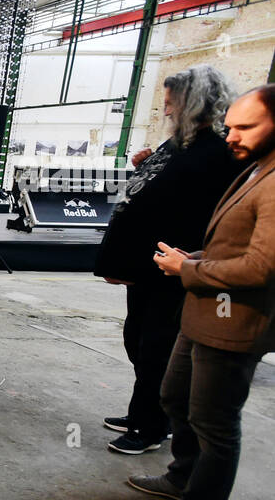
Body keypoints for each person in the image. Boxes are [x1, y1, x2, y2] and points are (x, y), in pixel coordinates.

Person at [130, 84, 275, 500]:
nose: (232, 135)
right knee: (175, 396)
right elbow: (236, 246)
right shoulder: (254, 169)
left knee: (215, 419)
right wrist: (195, 258)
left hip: (235, 322)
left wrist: (189, 270)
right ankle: (180, 477)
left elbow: (261, 267)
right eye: (230, 126)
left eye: (246, 127)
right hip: (204, 313)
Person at [94, 66, 241, 455]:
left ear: (194, 102)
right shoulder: (179, 142)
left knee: (156, 348)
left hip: (175, 269)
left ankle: (151, 425)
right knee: (137, 340)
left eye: (172, 103)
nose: (166, 110)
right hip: (148, 268)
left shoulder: (220, 150)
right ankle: (147, 411)